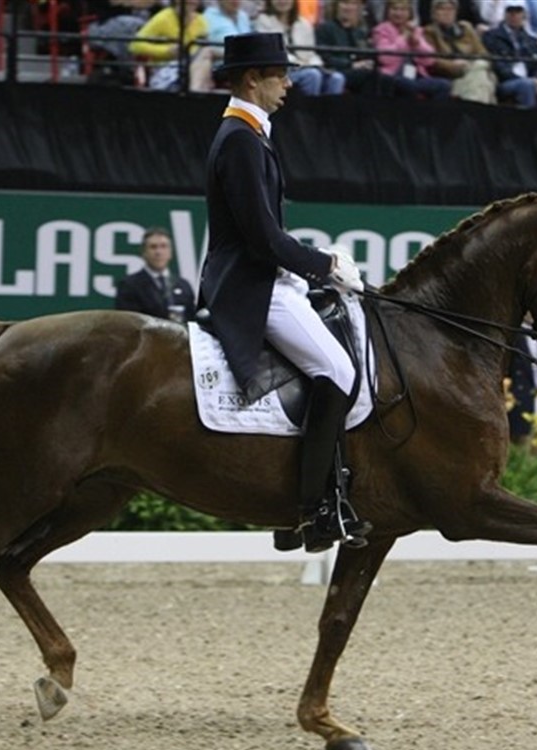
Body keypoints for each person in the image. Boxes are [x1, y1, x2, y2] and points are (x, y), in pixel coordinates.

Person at [197, 32, 370, 553]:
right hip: (249, 285)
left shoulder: (252, 133)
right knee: (338, 371)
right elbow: (262, 237)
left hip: (265, 275)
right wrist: (325, 266)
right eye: (281, 76)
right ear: (253, 80)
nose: (289, 85)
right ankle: (311, 511)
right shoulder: (240, 139)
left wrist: (309, 268)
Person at [254, 0, 346, 95]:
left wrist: (316, 64)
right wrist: (300, 64)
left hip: (306, 66)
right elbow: (271, 52)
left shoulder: (303, 23)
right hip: (282, 70)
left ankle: (329, 105)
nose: (282, 1)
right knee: (312, 75)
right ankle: (309, 104)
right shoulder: (262, 21)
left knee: (337, 78)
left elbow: (310, 53)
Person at [371, 0, 453, 98]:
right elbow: (385, 58)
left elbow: (429, 60)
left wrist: (417, 44)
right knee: (408, 85)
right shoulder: (381, 30)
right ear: (387, 11)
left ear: (410, 13)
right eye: (394, 9)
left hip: (415, 75)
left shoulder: (416, 30)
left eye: (403, 10)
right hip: (393, 76)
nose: (398, 13)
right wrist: (404, 38)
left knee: (444, 85)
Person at [316, 0, 399, 95]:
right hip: (336, 70)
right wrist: (351, 64)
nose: (348, 7)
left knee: (387, 80)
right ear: (337, 6)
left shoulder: (360, 32)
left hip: (359, 71)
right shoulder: (325, 28)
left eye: (353, 4)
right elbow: (324, 57)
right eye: (345, 3)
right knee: (369, 76)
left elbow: (369, 54)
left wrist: (369, 62)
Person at [115, 227, 196, 323]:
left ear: (170, 252)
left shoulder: (183, 285)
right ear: (143, 252)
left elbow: (192, 318)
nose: (158, 252)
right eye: (153, 247)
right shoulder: (129, 285)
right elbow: (128, 322)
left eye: (163, 246)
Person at [422, 0, 497, 103]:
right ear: (434, 13)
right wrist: (453, 65)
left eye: (450, 9)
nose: (447, 13)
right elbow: (432, 60)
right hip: (450, 74)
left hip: (472, 69)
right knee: (482, 79)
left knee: (479, 70)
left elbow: (483, 53)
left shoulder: (466, 28)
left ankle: (473, 105)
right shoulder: (428, 32)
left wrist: (469, 63)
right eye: (442, 9)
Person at [129, 0, 213, 91]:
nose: (191, 2)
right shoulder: (163, 18)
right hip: (166, 69)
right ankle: (195, 92)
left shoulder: (201, 20)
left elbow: (201, 47)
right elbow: (135, 45)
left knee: (206, 54)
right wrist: (167, 51)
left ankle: (195, 91)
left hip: (192, 66)